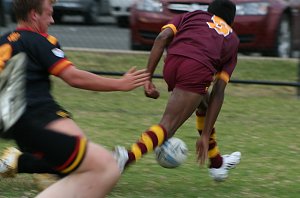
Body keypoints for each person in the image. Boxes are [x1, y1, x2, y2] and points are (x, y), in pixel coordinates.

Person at [0, 0, 149, 197]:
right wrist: (119, 84)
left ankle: (23, 163)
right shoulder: (39, 40)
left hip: (17, 120)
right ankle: (24, 163)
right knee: (98, 166)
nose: (52, 20)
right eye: (48, 13)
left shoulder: (3, 40)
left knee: (83, 159)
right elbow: (73, 77)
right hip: (39, 115)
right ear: (34, 15)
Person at [114, 0, 241, 181]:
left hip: (172, 64)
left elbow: (162, 38)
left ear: (209, 11)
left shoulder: (193, 15)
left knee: (202, 103)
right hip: (196, 69)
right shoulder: (232, 39)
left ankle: (217, 163)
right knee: (168, 125)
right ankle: (127, 157)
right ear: (231, 22)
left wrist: (148, 76)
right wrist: (204, 135)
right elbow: (218, 91)